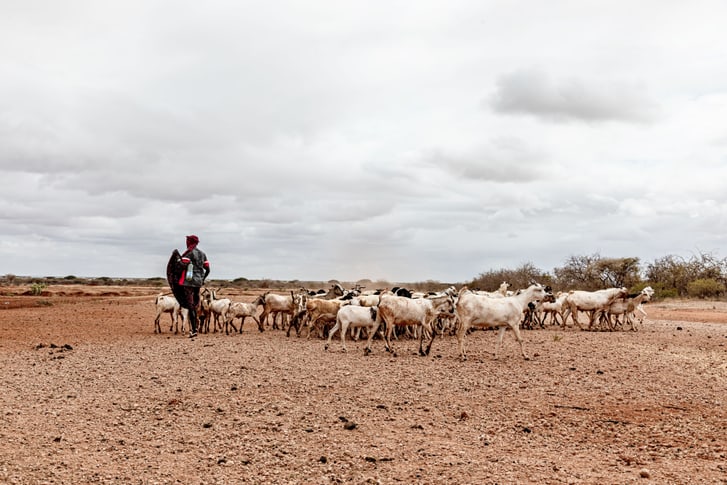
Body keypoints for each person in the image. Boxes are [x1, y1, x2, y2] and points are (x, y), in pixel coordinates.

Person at [178, 234, 210, 338]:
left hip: (189, 282)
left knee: (190, 305)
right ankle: (196, 327)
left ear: (190, 242)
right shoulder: (202, 254)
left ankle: (194, 330)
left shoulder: (189, 253)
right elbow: (208, 269)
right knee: (196, 304)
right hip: (198, 282)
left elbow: (181, 266)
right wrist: (202, 279)